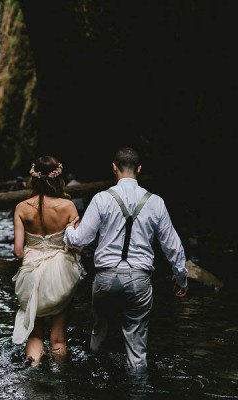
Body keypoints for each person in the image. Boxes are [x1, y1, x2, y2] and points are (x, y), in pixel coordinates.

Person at [63, 147, 188, 374]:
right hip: (139, 280)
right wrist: (181, 279)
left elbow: (80, 240)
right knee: (137, 345)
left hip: (105, 277)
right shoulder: (156, 202)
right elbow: (173, 245)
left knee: (99, 331)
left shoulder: (101, 199)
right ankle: (137, 388)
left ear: (114, 168)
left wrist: (68, 230)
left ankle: (92, 381)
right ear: (139, 170)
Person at [12, 156, 86, 367]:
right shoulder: (68, 206)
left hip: (32, 274)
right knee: (59, 337)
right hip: (61, 275)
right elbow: (77, 246)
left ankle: (33, 372)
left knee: (35, 333)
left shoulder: (21, 208)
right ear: (58, 177)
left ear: (33, 177)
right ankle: (59, 380)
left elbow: (18, 252)